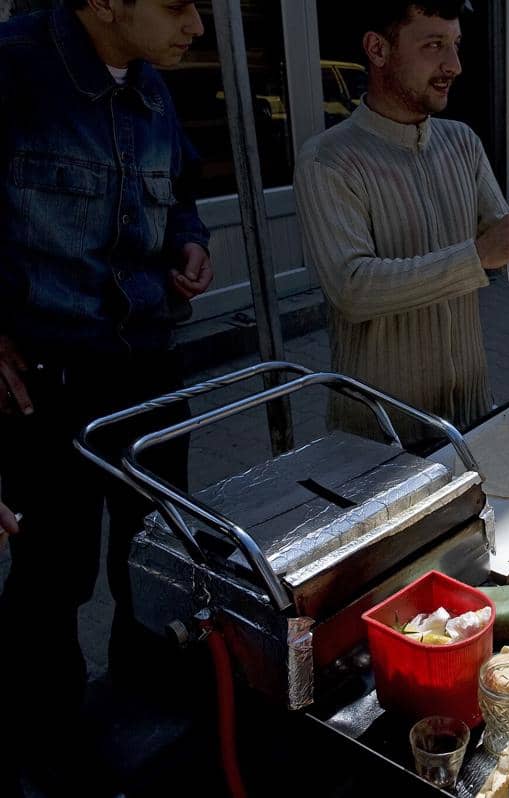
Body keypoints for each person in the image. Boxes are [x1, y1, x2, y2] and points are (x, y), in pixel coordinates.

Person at [0, 0, 210, 793]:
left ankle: (142, 710)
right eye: (178, 4)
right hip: (44, 383)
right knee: (53, 578)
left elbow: (182, 190)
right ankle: (38, 744)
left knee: (159, 554)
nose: (196, 25)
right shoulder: (15, 67)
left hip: (146, 366)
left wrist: (191, 240)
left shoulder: (153, 87)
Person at [294, 1, 509, 445]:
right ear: (378, 49)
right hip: (382, 429)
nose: (454, 65)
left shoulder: (461, 142)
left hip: (470, 411)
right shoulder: (329, 160)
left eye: (456, 45)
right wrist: (480, 253)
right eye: (434, 45)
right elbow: (352, 288)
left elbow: (507, 249)